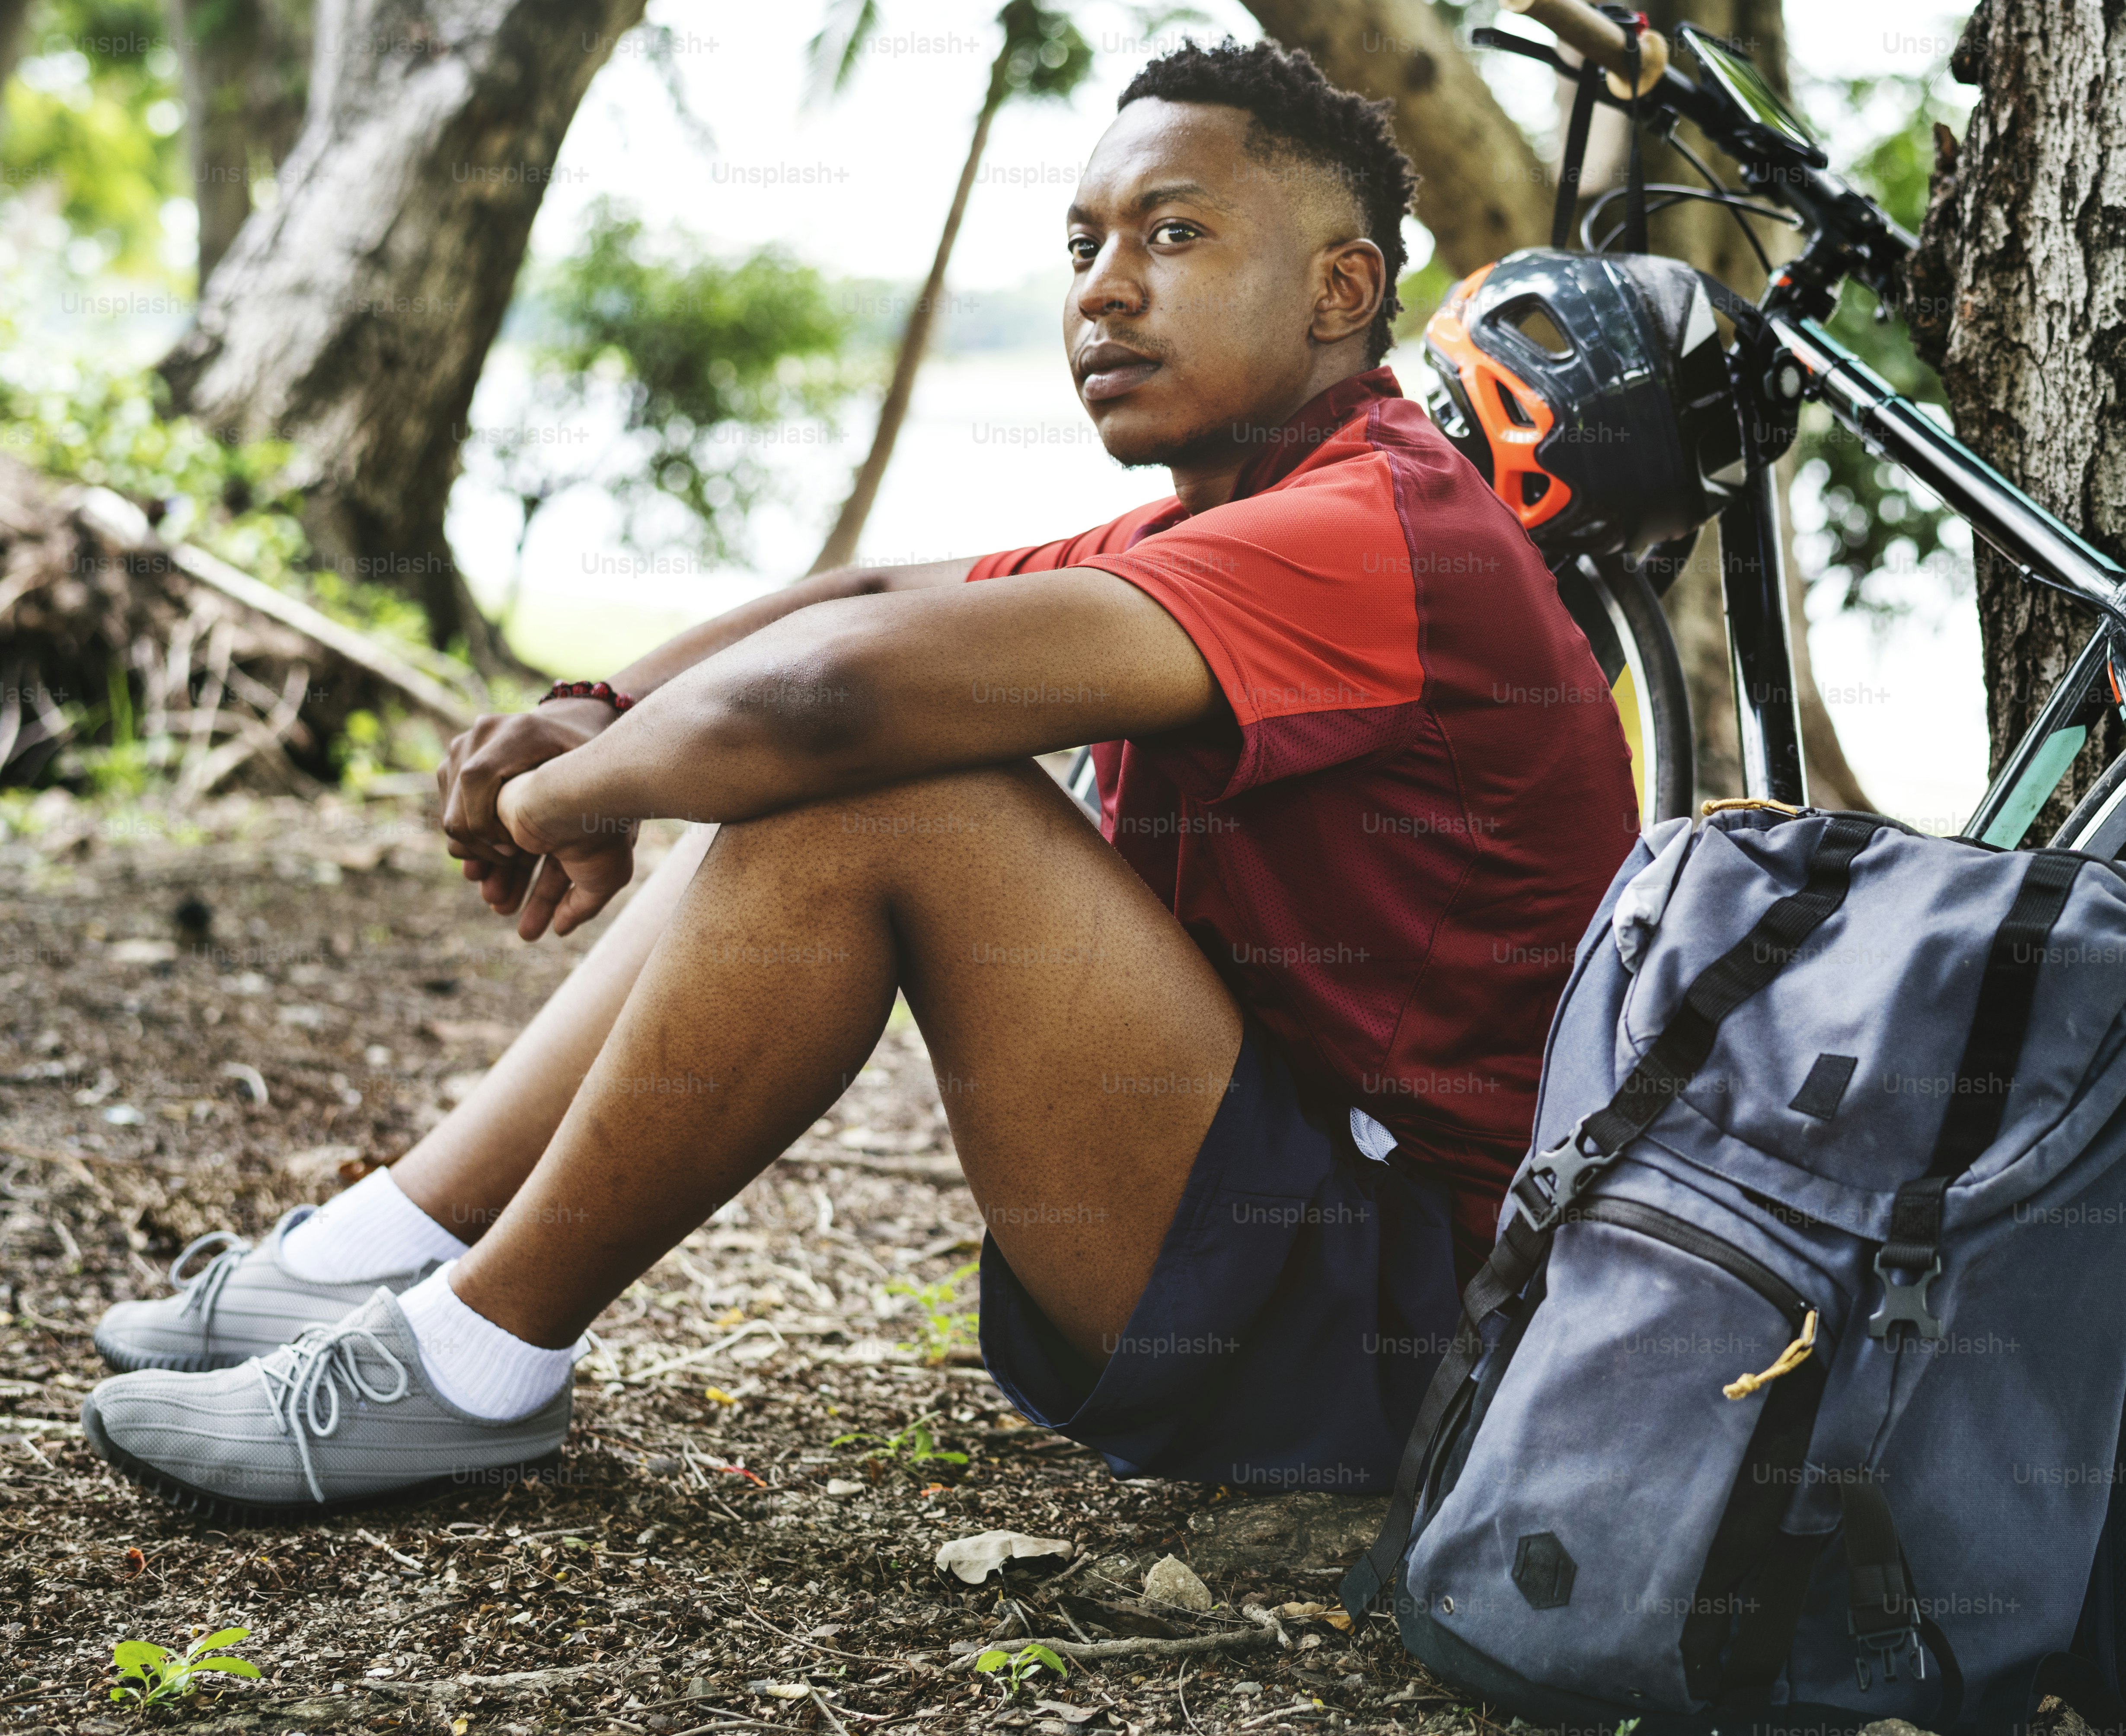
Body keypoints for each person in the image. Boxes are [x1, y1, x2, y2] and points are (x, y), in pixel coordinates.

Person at [80, 38, 1638, 1520]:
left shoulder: (1377, 534)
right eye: (1084, 243)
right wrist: (597, 702)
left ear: (1340, 288)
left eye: (1171, 236)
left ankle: (472, 1361)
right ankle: (372, 1253)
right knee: (856, 771)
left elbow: (829, 703)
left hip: (1415, 1330)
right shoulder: (1246, 516)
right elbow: (876, 603)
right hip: (1299, 1235)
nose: (1104, 288)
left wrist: (574, 795)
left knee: (895, 794)